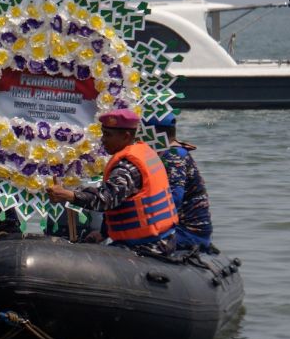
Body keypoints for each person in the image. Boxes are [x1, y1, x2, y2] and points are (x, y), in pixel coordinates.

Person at [46, 109, 178, 257]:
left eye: (108, 135)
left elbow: (106, 199)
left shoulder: (127, 166)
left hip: (147, 246)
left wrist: (68, 195)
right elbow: (125, 200)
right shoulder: (144, 152)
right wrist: (103, 233)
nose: (103, 139)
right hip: (161, 238)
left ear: (126, 136)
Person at [145, 113, 214, 252]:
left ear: (154, 134)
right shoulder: (170, 153)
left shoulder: (173, 156)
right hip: (189, 230)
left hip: (187, 232)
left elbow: (174, 197)